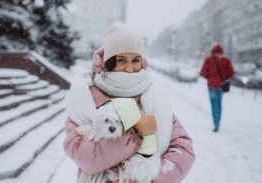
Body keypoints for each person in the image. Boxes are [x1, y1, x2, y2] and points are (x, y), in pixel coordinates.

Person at [64, 22, 195, 183]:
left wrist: (145, 177)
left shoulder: (153, 97)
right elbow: (87, 158)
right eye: (122, 60)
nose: (130, 68)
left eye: (135, 60)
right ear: (109, 61)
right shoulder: (84, 97)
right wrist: (136, 134)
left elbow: (183, 150)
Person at [200, 43, 235, 132]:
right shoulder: (225, 60)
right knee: (219, 105)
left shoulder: (208, 59)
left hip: (211, 86)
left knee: (213, 105)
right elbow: (231, 73)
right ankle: (218, 123)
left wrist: (210, 77)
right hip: (220, 86)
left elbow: (203, 73)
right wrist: (224, 78)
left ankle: (215, 124)